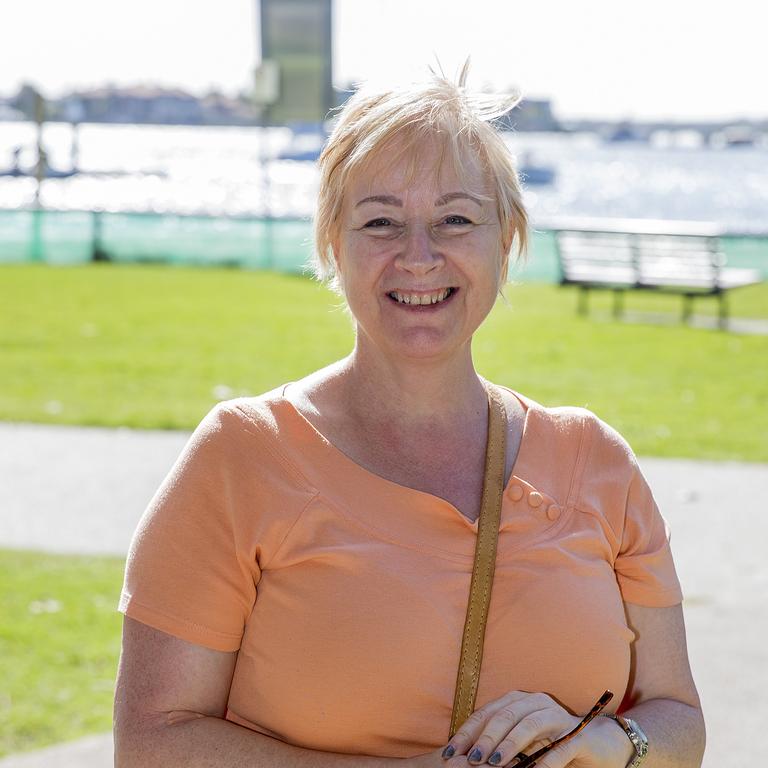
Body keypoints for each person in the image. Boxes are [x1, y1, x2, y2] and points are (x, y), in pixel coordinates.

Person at [114, 68, 705, 768]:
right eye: (381, 222)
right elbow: (153, 741)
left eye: (455, 219)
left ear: (506, 238)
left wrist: (613, 743)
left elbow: (678, 719)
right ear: (334, 245)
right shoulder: (243, 455)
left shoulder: (596, 460)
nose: (419, 256)